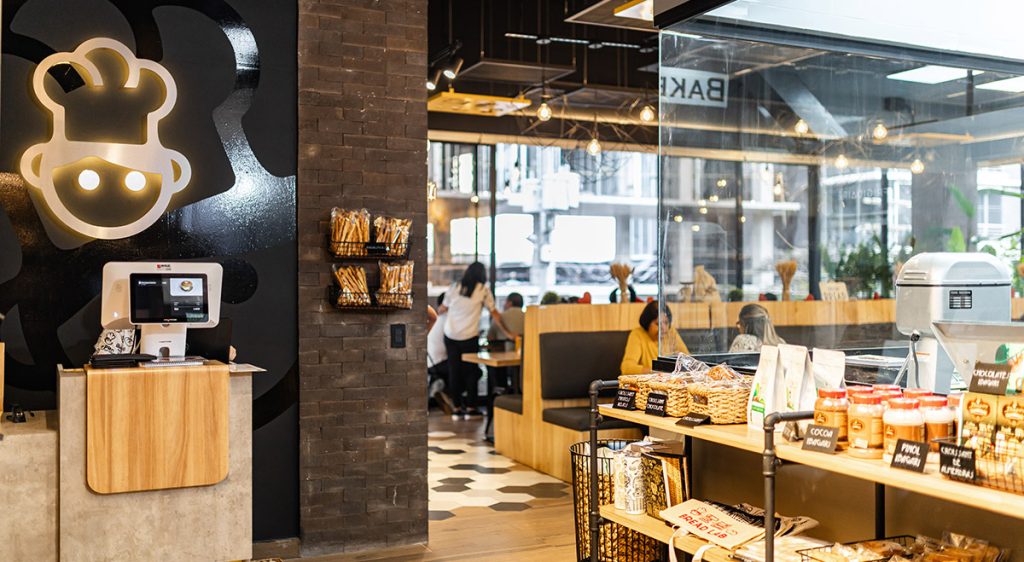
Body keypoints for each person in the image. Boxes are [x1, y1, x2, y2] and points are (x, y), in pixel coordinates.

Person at [440, 262, 512, 419]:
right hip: (469, 336)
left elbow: (442, 309)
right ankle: (471, 407)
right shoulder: (483, 290)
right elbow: (495, 314)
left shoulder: (455, 287)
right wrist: (508, 333)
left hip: (450, 335)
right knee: (471, 372)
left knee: (454, 371)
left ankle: (457, 408)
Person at [620, 300, 689, 376]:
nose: (663, 328)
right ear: (647, 323)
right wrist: (655, 372)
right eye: (657, 324)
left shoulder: (671, 332)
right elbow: (627, 368)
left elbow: (687, 359)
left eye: (666, 323)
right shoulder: (637, 334)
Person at [427, 293, 455, 415]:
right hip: (440, 363)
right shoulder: (448, 319)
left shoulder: (438, 318)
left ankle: (443, 392)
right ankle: (447, 394)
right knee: (470, 371)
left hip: (430, 362)